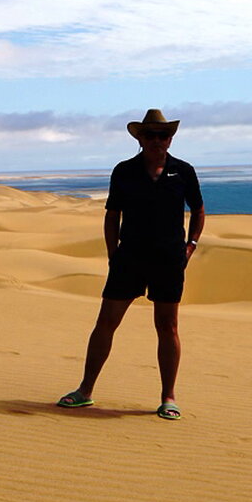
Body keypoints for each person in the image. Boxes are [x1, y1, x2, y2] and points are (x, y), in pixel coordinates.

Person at [57, 108, 205, 420]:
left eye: (162, 135)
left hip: (169, 260)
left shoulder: (183, 171)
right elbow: (112, 215)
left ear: (170, 138)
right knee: (106, 322)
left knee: (168, 327)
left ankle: (168, 398)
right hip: (130, 258)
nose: (156, 140)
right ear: (140, 138)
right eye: (150, 135)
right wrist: (114, 255)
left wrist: (191, 246)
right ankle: (85, 390)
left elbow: (199, 210)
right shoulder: (124, 171)